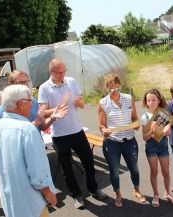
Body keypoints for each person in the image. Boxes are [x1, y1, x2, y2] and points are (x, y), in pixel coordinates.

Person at [38, 58, 107, 209]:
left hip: (77, 131)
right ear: (51, 72)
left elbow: (82, 104)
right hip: (59, 135)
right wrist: (58, 108)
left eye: (64, 71)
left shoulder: (71, 81)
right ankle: (77, 195)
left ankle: (93, 188)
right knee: (67, 168)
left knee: (89, 162)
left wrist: (78, 102)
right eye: (59, 72)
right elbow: (43, 111)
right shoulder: (44, 88)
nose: (63, 74)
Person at [0, 85, 59, 217]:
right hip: (31, 203)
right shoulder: (27, 129)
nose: (32, 106)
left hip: (12, 201)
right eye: (30, 101)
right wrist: (48, 193)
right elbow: (37, 170)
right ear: (20, 104)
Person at [97, 72, 146, 208]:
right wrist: (104, 131)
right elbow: (102, 125)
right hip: (112, 142)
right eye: (111, 89)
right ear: (107, 88)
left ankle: (137, 190)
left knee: (134, 168)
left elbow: (135, 117)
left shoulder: (128, 98)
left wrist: (136, 124)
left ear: (120, 86)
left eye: (117, 88)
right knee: (115, 171)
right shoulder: (103, 103)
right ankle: (118, 195)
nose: (115, 92)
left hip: (129, 140)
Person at [141, 88, 173, 208]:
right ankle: (156, 194)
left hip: (163, 147)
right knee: (154, 172)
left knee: (166, 172)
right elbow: (144, 138)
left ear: (159, 101)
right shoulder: (145, 117)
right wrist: (152, 132)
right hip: (151, 148)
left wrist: (167, 130)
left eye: (153, 100)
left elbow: (168, 133)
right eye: (148, 100)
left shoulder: (163, 114)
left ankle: (167, 193)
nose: (151, 102)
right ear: (146, 102)